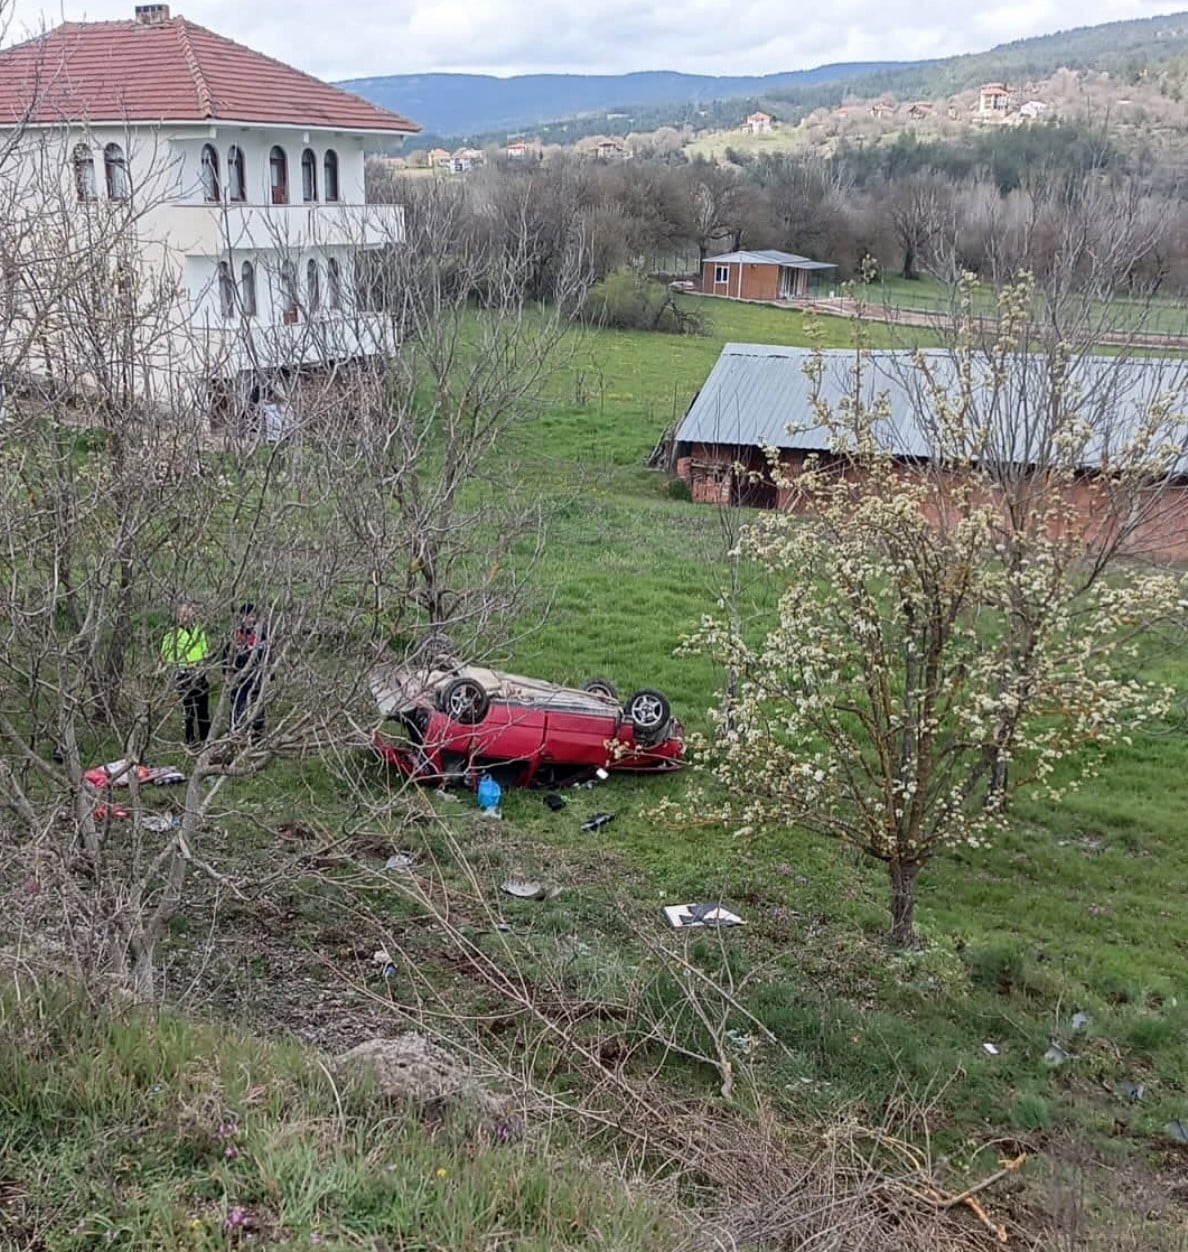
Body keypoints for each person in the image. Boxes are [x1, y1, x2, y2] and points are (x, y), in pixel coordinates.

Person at [160, 599, 210, 746]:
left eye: (188, 612)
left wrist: (201, 663)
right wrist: (182, 663)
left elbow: (205, 651)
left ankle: (205, 739)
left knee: (203, 708)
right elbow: (165, 656)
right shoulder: (172, 635)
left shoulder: (199, 632)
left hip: (199, 674)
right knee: (188, 710)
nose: (186, 616)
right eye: (182, 613)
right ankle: (189, 739)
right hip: (183, 675)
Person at [223, 602, 269, 742]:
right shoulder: (235, 634)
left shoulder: (261, 634)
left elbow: (268, 654)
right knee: (238, 705)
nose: (249, 619)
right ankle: (237, 734)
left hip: (256, 676)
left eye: (252, 616)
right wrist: (225, 672)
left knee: (257, 707)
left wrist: (269, 675)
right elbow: (225, 654)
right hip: (239, 677)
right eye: (246, 616)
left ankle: (257, 737)